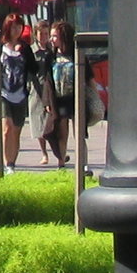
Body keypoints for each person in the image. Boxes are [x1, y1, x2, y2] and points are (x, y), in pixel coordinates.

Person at [0, 12, 37, 170]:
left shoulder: (25, 48)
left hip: (20, 94)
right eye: (13, 27)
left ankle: (12, 163)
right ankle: (7, 164)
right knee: (7, 128)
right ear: (8, 28)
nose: (17, 30)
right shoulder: (0, 46)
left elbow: (33, 69)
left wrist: (23, 53)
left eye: (19, 27)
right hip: (3, 93)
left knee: (16, 131)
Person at [40, 20, 76, 165]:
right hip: (59, 98)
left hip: (75, 97)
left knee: (79, 132)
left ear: (63, 37)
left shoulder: (75, 54)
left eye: (55, 36)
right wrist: (47, 101)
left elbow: (88, 76)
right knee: (61, 131)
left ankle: (83, 164)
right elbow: (47, 81)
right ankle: (61, 161)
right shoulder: (51, 56)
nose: (51, 39)